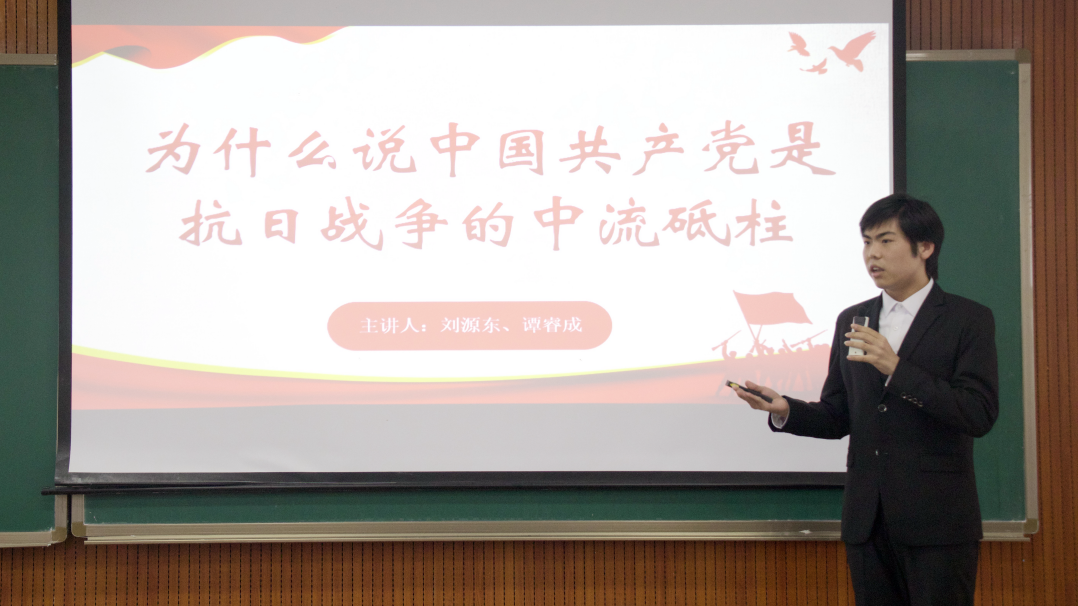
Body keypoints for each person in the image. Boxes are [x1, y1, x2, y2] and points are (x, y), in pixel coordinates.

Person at [734, 193, 998, 606]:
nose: (872, 254)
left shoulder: (968, 319)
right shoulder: (853, 319)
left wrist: (897, 369)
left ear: (925, 247)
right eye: (867, 242)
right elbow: (838, 415)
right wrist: (785, 409)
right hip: (868, 521)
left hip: (937, 522)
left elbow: (977, 413)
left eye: (886, 241)